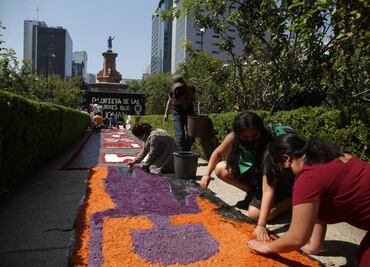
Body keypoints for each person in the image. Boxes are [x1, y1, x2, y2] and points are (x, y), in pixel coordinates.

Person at [247, 134, 370, 267]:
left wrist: (268, 247)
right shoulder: (332, 155)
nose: (281, 173)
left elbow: (297, 238)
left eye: (279, 168)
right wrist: (313, 247)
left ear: (286, 159)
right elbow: (320, 209)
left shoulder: (308, 179)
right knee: (360, 257)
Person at [199, 112, 294, 240]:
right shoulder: (233, 137)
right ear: (238, 134)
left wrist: (261, 224)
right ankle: (253, 193)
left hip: (277, 181)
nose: (250, 139)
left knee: (255, 214)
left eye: (254, 136)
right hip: (256, 177)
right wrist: (206, 175)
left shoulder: (270, 145)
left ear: (261, 130)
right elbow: (217, 153)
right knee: (221, 168)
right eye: (245, 137)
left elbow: (268, 188)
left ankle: (292, 200)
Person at [163, 75, 199, 151]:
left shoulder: (190, 88)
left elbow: (196, 98)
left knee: (191, 135)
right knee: (180, 136)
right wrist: (166, 114)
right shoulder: (173, 92)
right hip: (177, 112)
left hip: (190, 111)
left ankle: (187, 151)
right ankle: (182, 153)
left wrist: (197, 105)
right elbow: (169, 102)